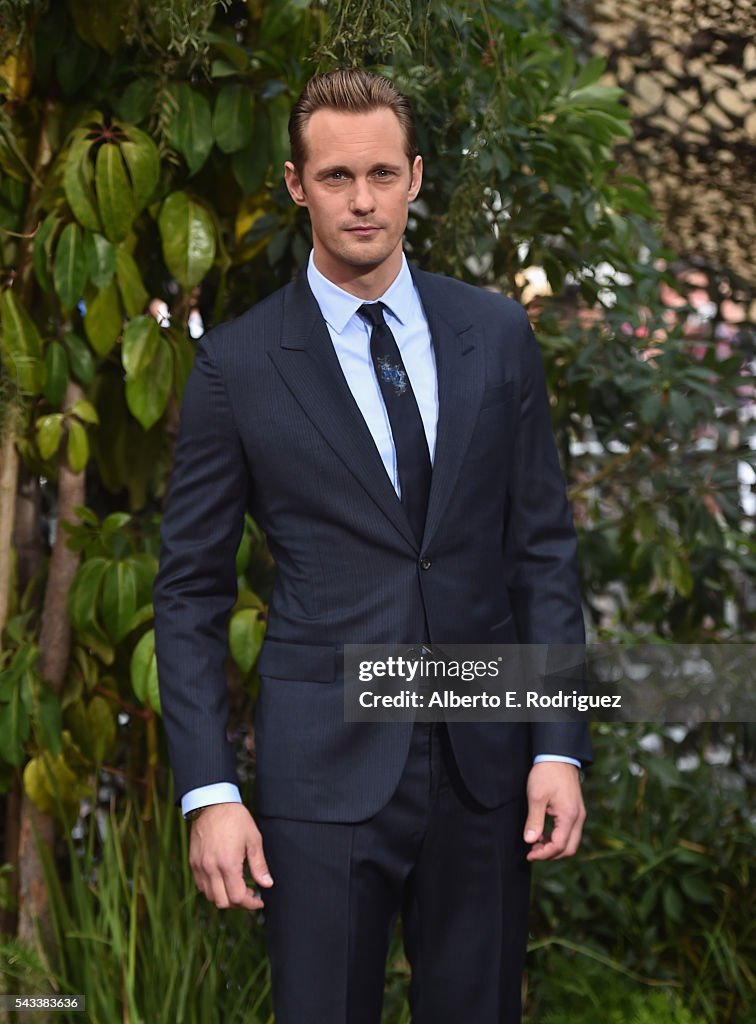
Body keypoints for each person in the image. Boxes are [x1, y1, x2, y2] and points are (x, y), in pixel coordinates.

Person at [154, 68, 592, 1024]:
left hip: (486, 770)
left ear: (417, 177)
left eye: (384, 173)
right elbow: (190, 592)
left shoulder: (495, 332)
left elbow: (543, 553)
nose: (363, 200)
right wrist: (209, 791)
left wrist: (560, 745)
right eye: (339, 175)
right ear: (295, 184)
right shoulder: (236, 365)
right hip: (322, 780)